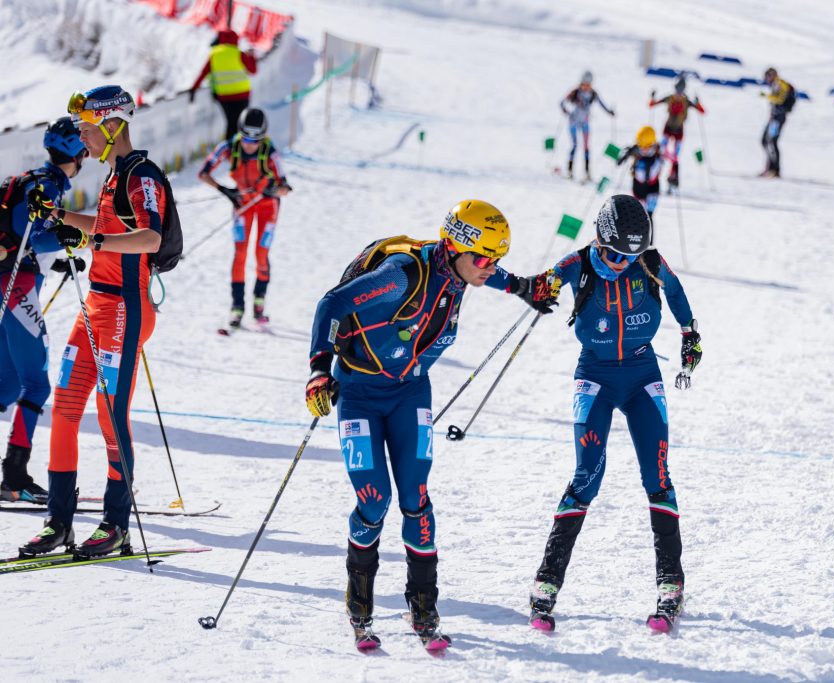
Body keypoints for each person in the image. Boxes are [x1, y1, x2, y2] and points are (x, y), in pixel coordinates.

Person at [304, 200, 556, 649]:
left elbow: (492, 274)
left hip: (411, 392)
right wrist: (319, 369)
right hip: (359, 394)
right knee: (374, 498)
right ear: (457, 246)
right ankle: (359, 605)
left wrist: (523, 287)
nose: (489, 268)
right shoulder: (402, 274)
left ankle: (423, 608)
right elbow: (333, 303)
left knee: (417, 498)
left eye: (495, 260)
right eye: (483, 258)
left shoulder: (462, 271)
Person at [522, 194, 702, 633]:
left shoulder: (650, 263)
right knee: (587, 474)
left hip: (642, 375)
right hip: (596, 376)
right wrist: (539, 292)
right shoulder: (579, 262)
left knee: (657, 476)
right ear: (601, 239)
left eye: (632, 254)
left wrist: (689, 333)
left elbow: (676, 293)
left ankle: (670, 583)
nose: (624, 262)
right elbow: (539, 282)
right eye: (616, 253)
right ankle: (546, 582)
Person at [18, 85, 170, 559]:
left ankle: (116, 524)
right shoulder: (111, 176)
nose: (83, 139)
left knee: (109, 416)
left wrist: (95, 242)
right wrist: (61, 216)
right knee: (63, 411)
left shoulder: (142, 176)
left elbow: (148, 237)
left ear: (112, 125)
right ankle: (59, 522)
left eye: (88, 129)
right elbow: (104, 229)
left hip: (125, 308)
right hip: (95, 308)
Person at [0, 118, 87, 504]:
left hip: (11, 282)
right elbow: (34, 235)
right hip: (16, 288)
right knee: (35, 384)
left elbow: (22, 238)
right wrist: (76, 236)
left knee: (6, 385)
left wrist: (58, 260)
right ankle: (14, 477)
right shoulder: (47, 185)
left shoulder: (30, 178)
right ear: (78, 154)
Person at [198, 107, 290, 328]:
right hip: (243, 204)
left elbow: (285, 188)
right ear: (240, 133)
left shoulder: (270, 151)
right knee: (240, 253)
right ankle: (237, 306)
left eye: (256, 140)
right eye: (247, 138)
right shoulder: (229, 146)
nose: (250, 144)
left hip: (267, 206)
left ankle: (259, 303)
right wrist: (225, 190)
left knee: (260, 253)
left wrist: (271, 191)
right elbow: (203, 173)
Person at [188, 30, 258, 141]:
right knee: (241, 123)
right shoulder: (239, 53)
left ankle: (228, 149)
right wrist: (252, 57)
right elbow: (253, 70)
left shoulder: (214, 55)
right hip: (242, 95)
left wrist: (193, 89)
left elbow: (203, 73)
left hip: (225, 97)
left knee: (230, 123)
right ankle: (241, 150)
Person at [648, 76, 705, 189]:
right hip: (668, 129)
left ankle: (672, 180)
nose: (679, 92)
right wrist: (652, 97)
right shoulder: (670, 98)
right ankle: (654, 176)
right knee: (661, 153)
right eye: (677, 89)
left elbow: (702, 111)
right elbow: (652, 105)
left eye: (681, 90)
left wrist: (698, 103)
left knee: (675, 157)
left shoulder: (686, 101)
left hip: (679, 131)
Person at [561, 71, 615, 181]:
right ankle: (570, 171)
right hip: (574, 122)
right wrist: (566, 111)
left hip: (585, 122)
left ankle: (587, 173)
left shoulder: (593, 93)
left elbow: (601, 104)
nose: (586, 86)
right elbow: (562, 102)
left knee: (586, 147)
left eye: (588, 84)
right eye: (584, 84)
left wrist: (609, 112)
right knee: (575, 145)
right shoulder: (575, 92)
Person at [617, 126, 664, 224]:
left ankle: (649, 239)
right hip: (638, 187)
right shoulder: (637, 150)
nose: (643, 149)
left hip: (652, 188)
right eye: (641, 146)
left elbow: (668, 159)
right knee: (636, 216)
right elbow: (625, 153)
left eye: (646, 147)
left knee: (648, 218)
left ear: (652, 144)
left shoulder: (658, 154)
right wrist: (625, 155)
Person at [760, 67, 796, 178]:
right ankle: (770, 168)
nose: (766, 79)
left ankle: (774, 170)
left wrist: (767, 96)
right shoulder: (776, 85)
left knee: (771, 141)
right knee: (766, 141)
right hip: (775, 118)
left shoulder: (779, 84)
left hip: (778, 118)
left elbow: (780, 100)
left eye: (767, 76)